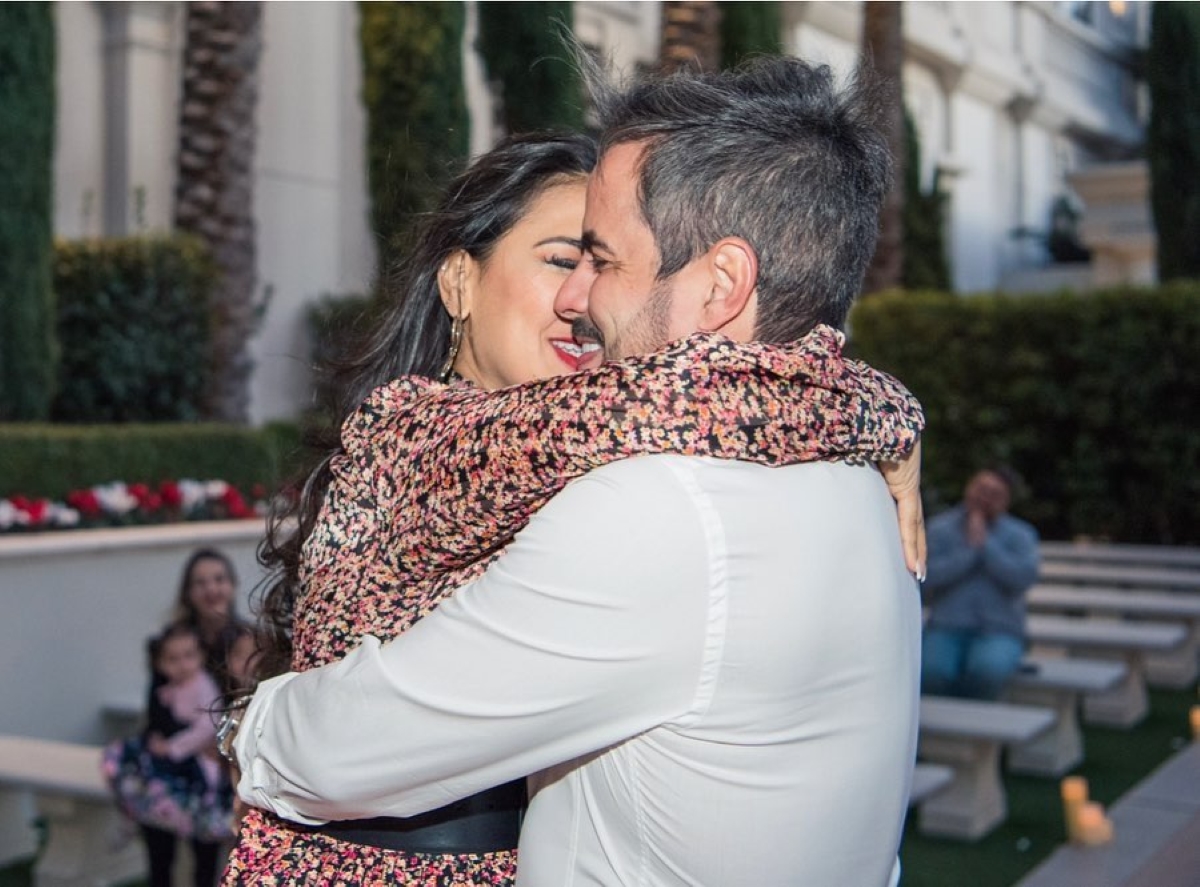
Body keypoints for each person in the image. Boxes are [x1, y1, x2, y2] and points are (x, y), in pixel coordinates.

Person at [231, 57, 924, 887]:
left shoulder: (658, 494)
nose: (581, 297)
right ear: (460, 278)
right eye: (564, 258)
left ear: (721, 283)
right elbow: (665, 400)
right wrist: (875, 409)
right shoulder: (419, 434)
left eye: (600, 258)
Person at [103, 622, 233, 887]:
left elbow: (207, 727)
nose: (182, 664)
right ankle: (130, 815)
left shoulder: (203, 685)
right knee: (125, 759)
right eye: (172, 659)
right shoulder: (171, 687)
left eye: (189, 656)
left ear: (201, 657)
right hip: (178, 764)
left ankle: (195, 822)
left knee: (204, 796)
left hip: (199, 760)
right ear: (160, 665)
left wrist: (173, 747)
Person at [921, 466, 1041, 700]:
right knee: (931, 672)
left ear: (1006, 500)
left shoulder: (1021, 534)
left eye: (994, 493)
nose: (984, 497)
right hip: (946, 626)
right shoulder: (939, 529)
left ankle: (983, 731)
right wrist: (968, 551)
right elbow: (927, 577)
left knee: (987, 672)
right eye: (980, 489)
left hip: (1000, 630)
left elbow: (1022, 579)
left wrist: (986, 545)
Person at [172, 547, 250, 694]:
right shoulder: (174, 645)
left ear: (233, 586)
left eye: (219, 580)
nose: (211, 589)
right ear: (188, 593)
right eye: (200, 583)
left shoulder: (251, 641)